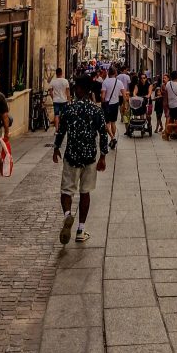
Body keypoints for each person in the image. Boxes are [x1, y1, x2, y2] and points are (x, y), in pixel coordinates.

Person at [53, 74, 108, 244]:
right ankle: (80, 230)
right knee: (85, 192)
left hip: (72, 156)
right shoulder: (95, 110)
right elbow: (103, 134)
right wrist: (103, 156)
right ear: (89, 90)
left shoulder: (68, 109)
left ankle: (68, 215)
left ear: (77, 90)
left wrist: (56, 148)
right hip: (90, 157)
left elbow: (61, 131)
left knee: (66, 191)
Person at [101, 66, 124, 149]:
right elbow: (124, 95)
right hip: (115, 104)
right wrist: (124, 105)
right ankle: (112, 139)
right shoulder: (119, 82)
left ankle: (112, 138)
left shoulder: (105, 82)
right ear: (115, 73)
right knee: (113, 122)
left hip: (107, 104)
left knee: (107, 123)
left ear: (108, 73)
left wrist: (102, 103)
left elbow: (103, 96)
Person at [48, 67, 71, 133]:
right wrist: (69, 99)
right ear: (61, 73)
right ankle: (64, 128)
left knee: (56, 115)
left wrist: (53, 98)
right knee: (64, 114)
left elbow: (50, 92)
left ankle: (57, 129)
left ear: (56, 73)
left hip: (56, 100)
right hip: (64, 100)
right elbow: (68, 91)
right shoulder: (65, 81)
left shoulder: (53, 81)